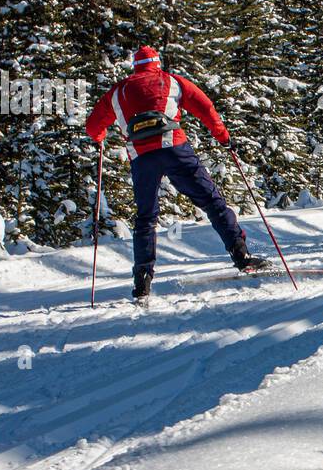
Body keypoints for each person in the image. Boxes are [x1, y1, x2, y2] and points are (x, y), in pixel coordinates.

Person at [85, 45, 265, 299]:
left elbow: (93, 126)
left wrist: (101, 136)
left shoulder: (119, 91)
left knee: (146, 217)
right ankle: (241, 255)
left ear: (135, 66)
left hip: (141, 157)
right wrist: (223, 137)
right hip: (174, 149)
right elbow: (206, 108)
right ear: (157, 63)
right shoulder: (171, 81)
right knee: (211, 200)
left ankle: (142, 280)